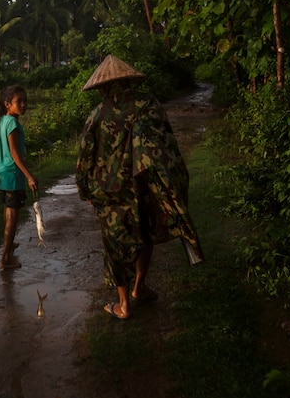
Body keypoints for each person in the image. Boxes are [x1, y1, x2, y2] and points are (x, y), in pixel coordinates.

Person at [75, 55, 204, 320]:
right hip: (144, 184)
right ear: (129, 80)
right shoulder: (149, 105)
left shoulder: (97, 115)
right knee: (144, 232)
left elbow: (85, 157)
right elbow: (166, 141)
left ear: (103, 87)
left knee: (115, 244)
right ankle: (139, 287)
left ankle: (123, 304)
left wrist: (85, 190)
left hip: (110, 191)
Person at [0, 85, 38, 269]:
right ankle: (6, 258)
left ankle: (9, 245)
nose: (23, 104)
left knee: (7, 211)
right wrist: (29, 176)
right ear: (7, 104)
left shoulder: (1, 122)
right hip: (12, 176)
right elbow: (15, 153)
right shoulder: (12, 124)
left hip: (0, 175)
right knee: (13, 218)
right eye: (18, 101)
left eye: (25, 101)